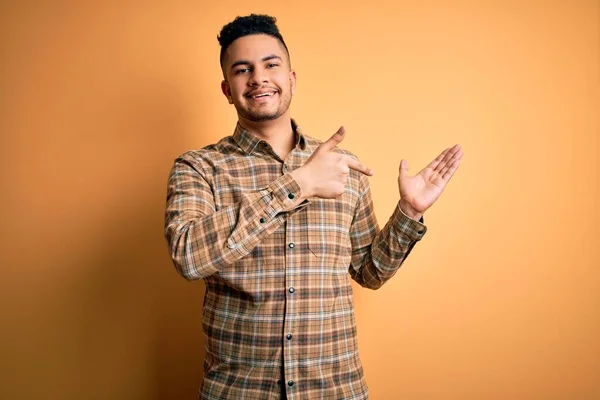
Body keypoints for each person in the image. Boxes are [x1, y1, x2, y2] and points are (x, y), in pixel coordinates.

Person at [164, 13, 463, 400]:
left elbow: (369, 272)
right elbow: (189, 255)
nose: (258, 78)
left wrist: (409, 213)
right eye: (243, 70)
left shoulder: (344, 168)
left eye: (271, 65)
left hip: (336, 390)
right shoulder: (199, 167)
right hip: (238, 392)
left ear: (291, 78)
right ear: (226, 88)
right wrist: (299, 183)